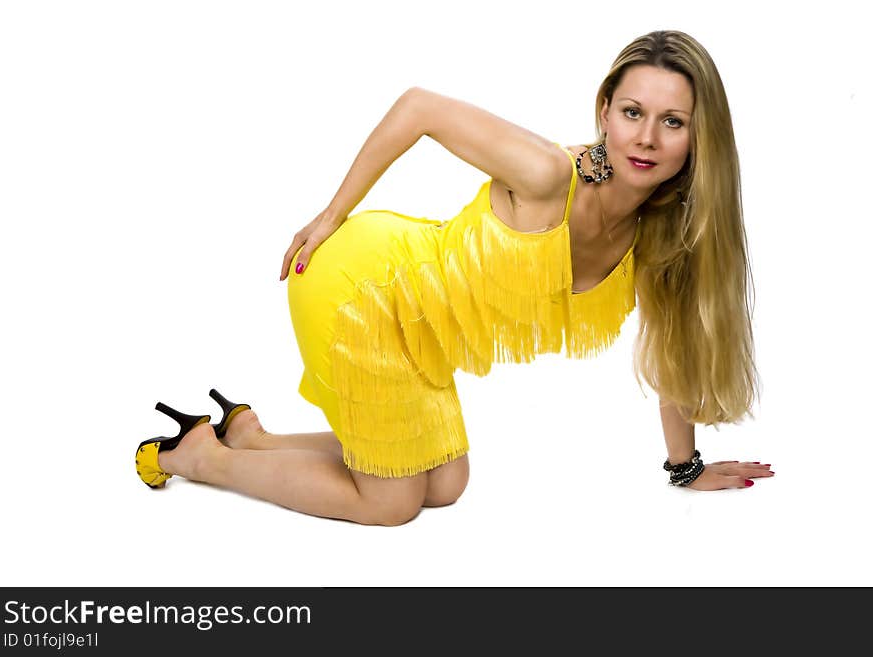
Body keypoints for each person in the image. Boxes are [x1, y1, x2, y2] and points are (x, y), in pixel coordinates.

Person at [135, 29, 772, 525]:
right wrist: (331, 214)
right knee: (391, 503)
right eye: (633, 111)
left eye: (673, 121)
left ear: (697, 138)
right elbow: (421, 108)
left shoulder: (658, 240)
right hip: (366, 289)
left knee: (445, 485)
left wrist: (685, 469)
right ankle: (201, 457)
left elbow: (672, 355)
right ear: (604, 110)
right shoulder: (550, 175)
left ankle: (251, 436)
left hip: (420, 334)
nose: (647, 138)